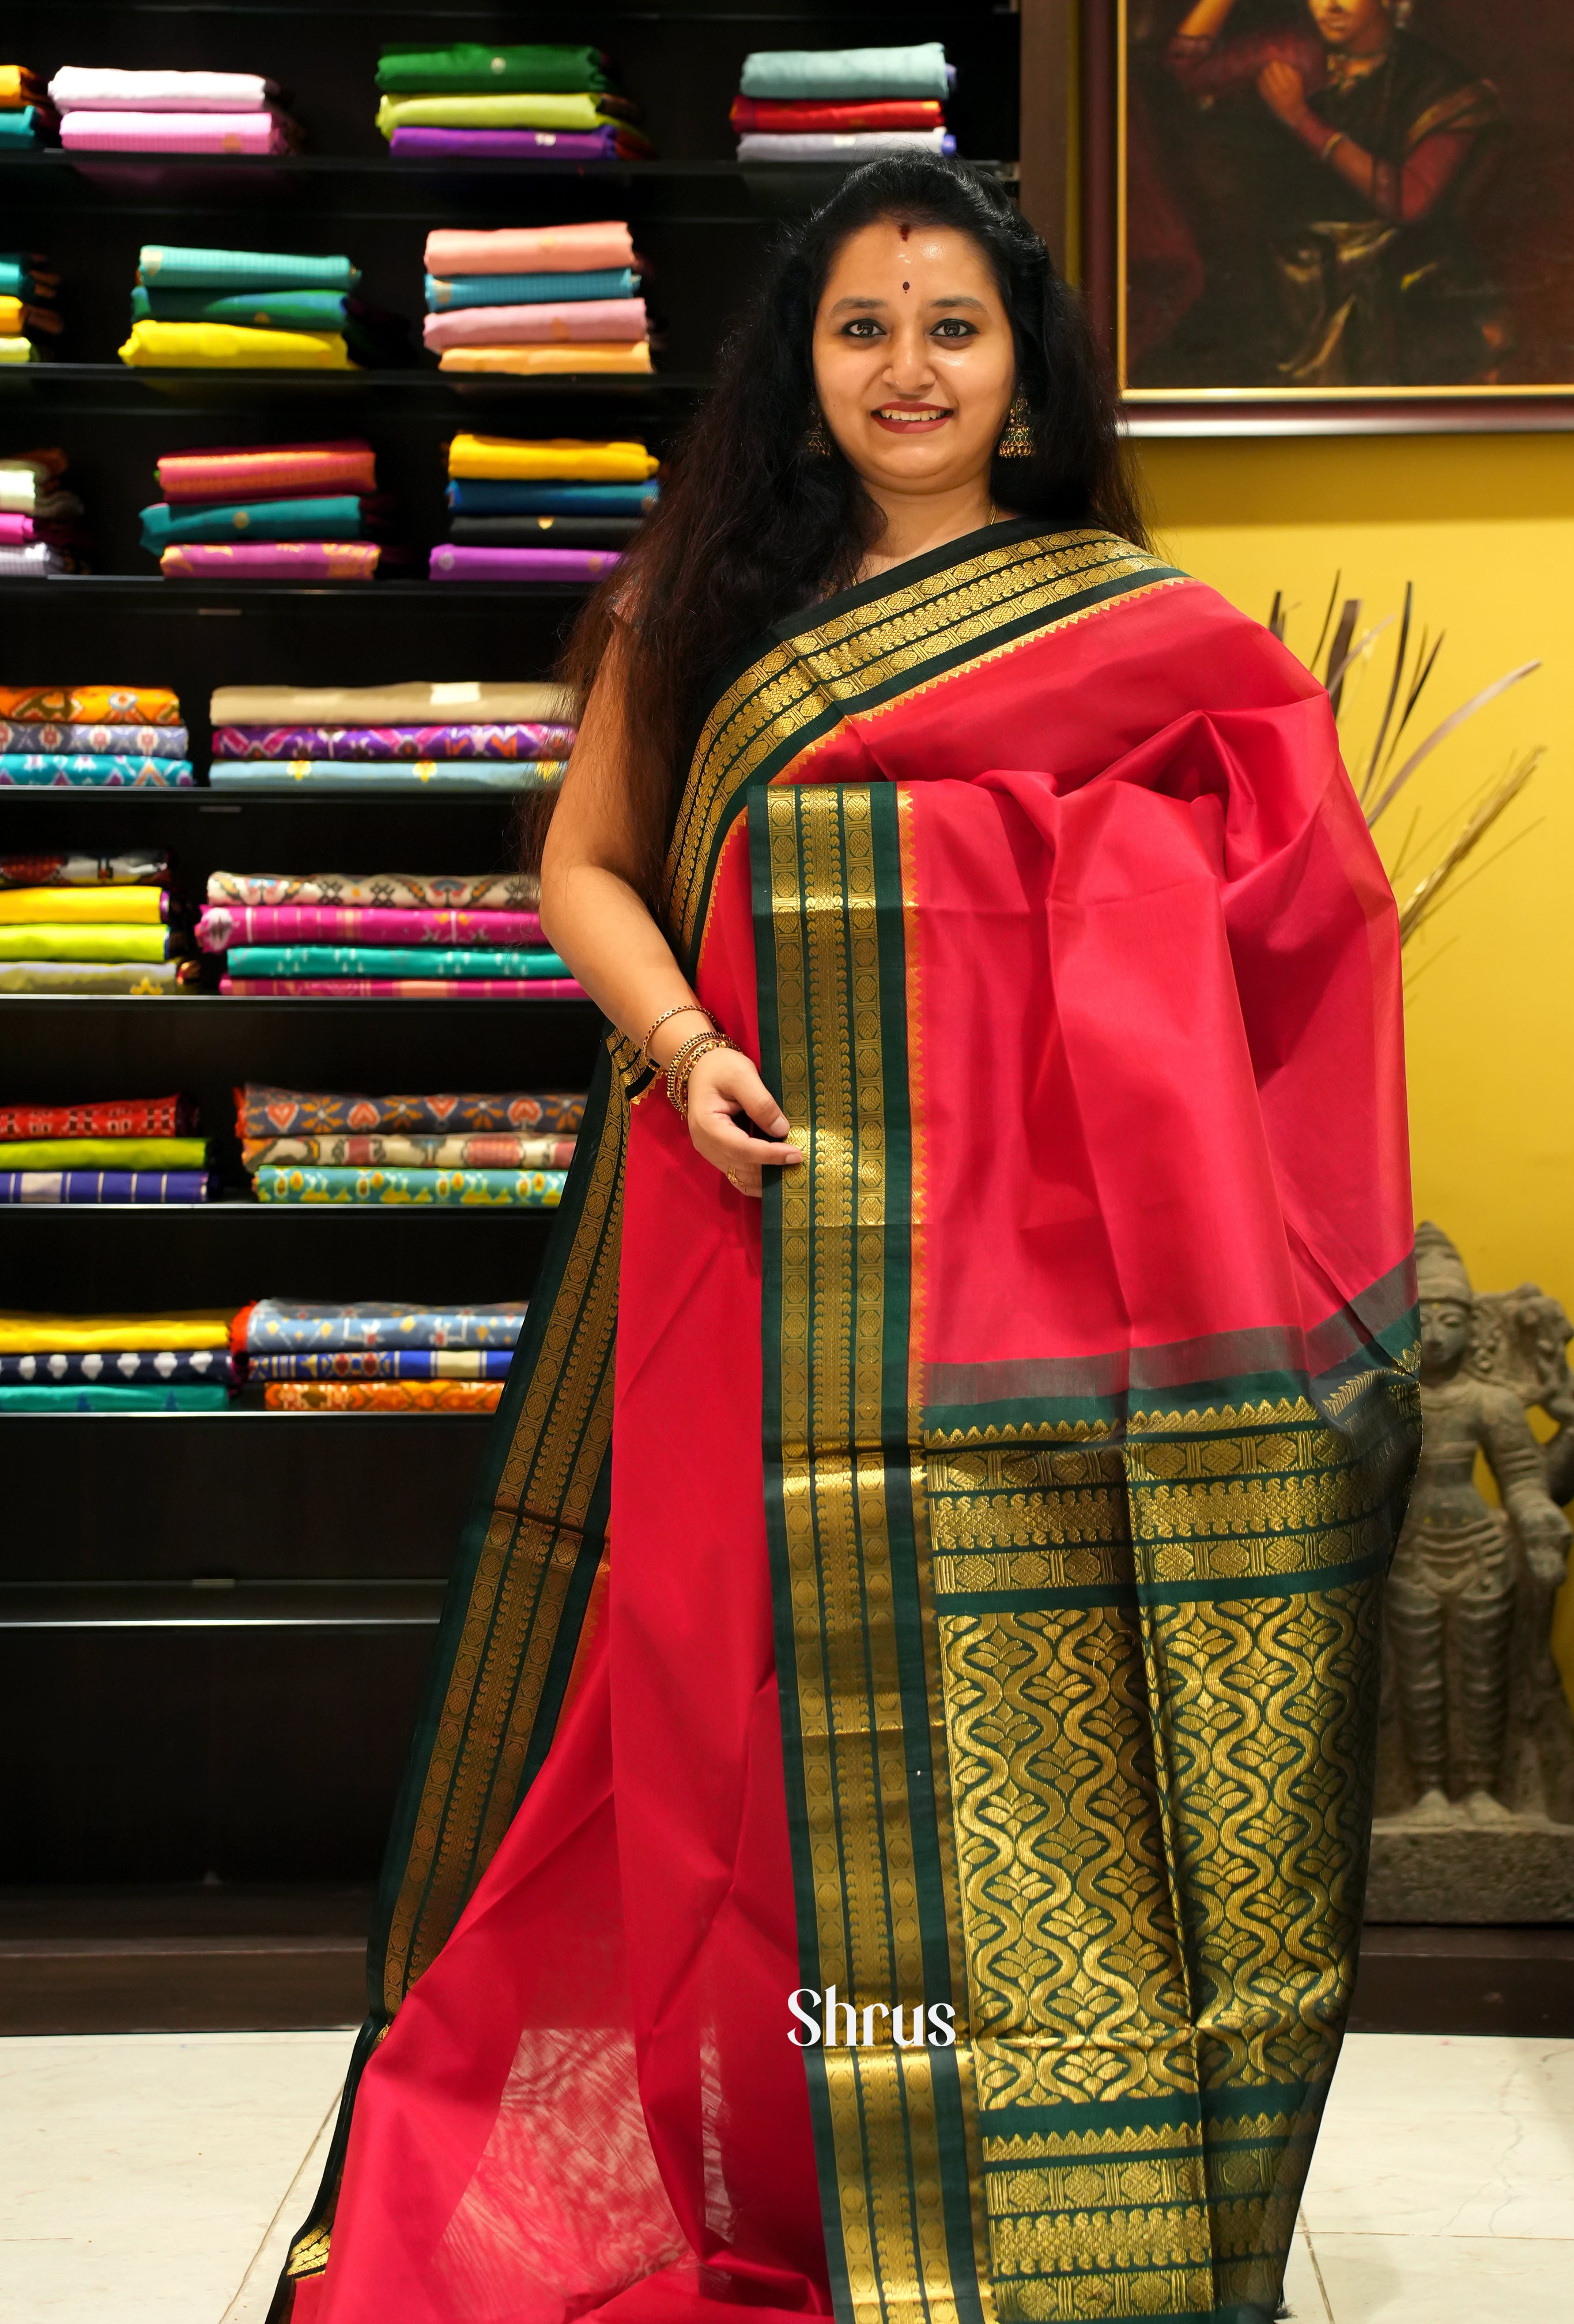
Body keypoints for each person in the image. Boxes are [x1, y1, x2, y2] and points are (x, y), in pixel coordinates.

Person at [267, 156, 1420, 2324]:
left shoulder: (1129, 629)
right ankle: (785, 2179)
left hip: (1046, 1316)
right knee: (737, 1747)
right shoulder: (696, 608)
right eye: (861, 326)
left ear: (1024, 368)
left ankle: (989, 2194)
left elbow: (1298, 922)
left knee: (1028, 1754)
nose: (908, 368)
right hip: (757, 1245)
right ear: (799, 369)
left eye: (952, 327)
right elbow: (584, 872)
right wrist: (683, 1041)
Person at [1142, 0, 1505, 386]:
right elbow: (1182, 67)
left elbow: (1408, 200)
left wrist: (1301, 120)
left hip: (1397, 285)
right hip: (1290, 285)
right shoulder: (1295, 51)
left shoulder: (1442, 85)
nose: (1329, 6)